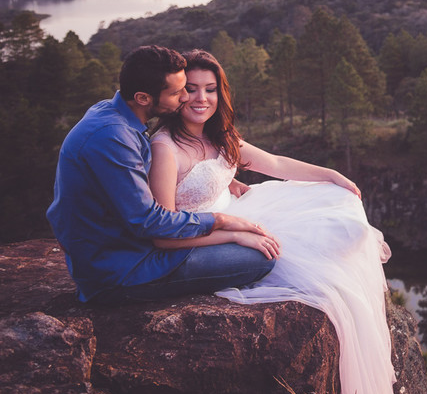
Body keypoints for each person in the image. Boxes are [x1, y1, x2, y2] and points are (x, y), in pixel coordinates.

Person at [148, 49, 396, 394]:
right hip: (204, 233)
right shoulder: (165, 148)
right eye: (192, 90)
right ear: (177, 93)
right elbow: (163, 233)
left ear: (221, 93)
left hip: (241, 213)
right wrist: (232, 234)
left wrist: (331, 174)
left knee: (340, 213)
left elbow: (276, 165)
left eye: (210, 89)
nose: (201, 99)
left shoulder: (220, 135)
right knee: (305, 266)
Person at [46, 45, 277, 304]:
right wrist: (222, 222)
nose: (185, 98)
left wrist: (223, 178)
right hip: (121, 269)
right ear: (144, 98)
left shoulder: (112, 113)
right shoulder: (113, 136)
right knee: (260, 260)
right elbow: (149, 222)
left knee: (257, 243)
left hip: (126, 246)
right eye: (178, 92)